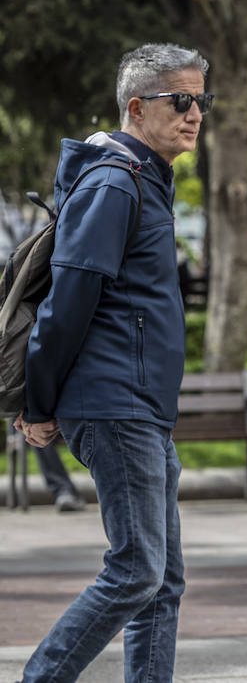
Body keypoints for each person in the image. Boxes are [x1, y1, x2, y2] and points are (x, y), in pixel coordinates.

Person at [11, 43, 210, 682]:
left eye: (202, 100)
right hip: (115, 403)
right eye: (181, 100)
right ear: (136, 107)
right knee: (136, 572)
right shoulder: (114, 183)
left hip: (139, 405)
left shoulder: (143, 180)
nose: (195, 113)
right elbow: (67, 303)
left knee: (161, 581)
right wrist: (37, 405)